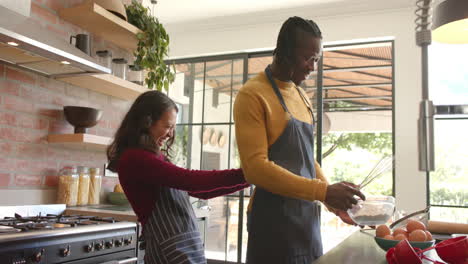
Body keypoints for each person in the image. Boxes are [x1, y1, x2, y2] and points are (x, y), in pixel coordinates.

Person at [233, 16, 365, 263]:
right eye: (307, 58)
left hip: (306, 221)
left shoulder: (302, 96)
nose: (312, 67)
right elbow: (255, 168)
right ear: (283, 53)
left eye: (316, 59)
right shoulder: (252, 94)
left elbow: (307, 158)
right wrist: (323, 191)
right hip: (272, 225)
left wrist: (333, 203)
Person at [107, 91, 250, 264]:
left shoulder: (153, 157)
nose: (170, 134)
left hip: (182, 245)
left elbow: (200, 191)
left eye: (173, 127)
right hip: (169, 248)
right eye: (167, 126)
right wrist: (248, 173)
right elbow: (192, 181)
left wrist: (249, 178)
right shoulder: (136, 159)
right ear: (147, 122)